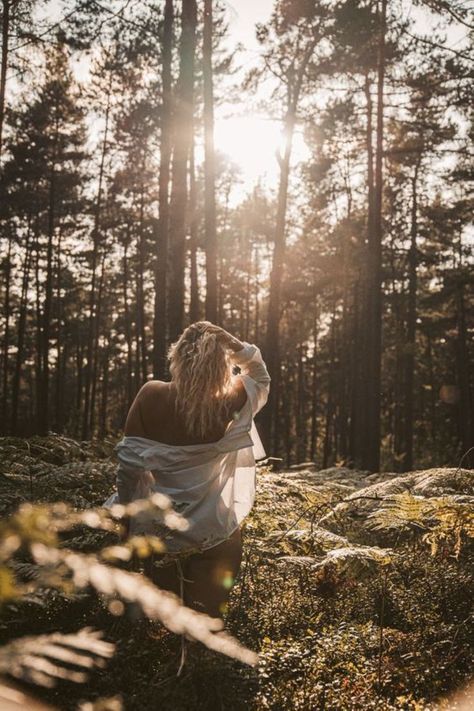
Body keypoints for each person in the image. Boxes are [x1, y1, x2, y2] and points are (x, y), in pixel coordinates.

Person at [104, 322, 270, 619]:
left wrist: (127, 522)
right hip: (215, 531)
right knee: (207, 626)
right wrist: (230, 341)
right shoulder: (229, 401)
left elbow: (129, 470)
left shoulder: (151, 395)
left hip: (161, 531)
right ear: (222, 365)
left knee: (163, 627)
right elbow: (260, 375)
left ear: (177, 358)